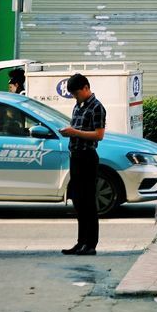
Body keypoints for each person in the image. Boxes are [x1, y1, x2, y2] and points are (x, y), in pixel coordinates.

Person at [57, 73, 106, 256]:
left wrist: (75, 132)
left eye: (77, 93)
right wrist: (69, 133)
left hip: (87, 157)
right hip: (75, 156)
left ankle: (91, 244)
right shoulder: (78, 106)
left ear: (86, 88)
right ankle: (81, 242)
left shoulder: (97, 107)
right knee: (77, 200)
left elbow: (99, 135)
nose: (75, 97)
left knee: (88, 201)